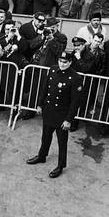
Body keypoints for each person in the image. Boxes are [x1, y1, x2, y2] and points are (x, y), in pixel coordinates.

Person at [26, 50, 83, 178]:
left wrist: (69, 120)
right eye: (60, 61)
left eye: (65, 62)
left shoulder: (76, 78)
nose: (62, 64)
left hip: (62, 115)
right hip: (49, 110)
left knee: (62, 142)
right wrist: (40, 104)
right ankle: (42, 156)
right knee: (45, 136)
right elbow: (45, 88)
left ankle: (61, 165)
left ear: (70, 62)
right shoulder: (52, 70)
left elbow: (75, 102)